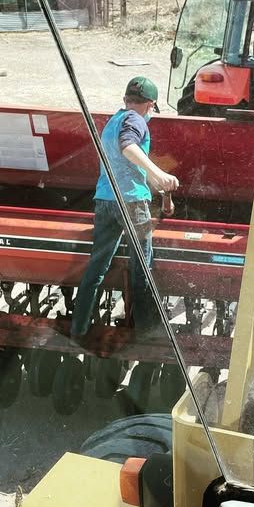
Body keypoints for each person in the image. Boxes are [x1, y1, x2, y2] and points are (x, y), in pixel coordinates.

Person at [71, 76, 178, 340]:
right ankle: (146, 334)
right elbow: (128, 147)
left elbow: (127, 164)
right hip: (131, 204)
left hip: (106, 201)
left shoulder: (112, 122)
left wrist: (160, 186)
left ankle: (78, 329)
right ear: (150, 105)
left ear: (126, 100)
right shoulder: (136, 120)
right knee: (142, 269)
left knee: (96, 268)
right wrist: (160, 172)